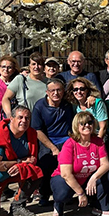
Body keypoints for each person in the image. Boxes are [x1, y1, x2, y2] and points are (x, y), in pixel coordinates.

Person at [50, 111, 109, 216]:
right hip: (66, 179)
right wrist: (81, 194)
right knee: (62, 192)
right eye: (83, 123)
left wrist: (94, 178)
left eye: (89, 122)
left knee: (108, 174)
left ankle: (99, 206)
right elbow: (66, 174)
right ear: (76, 126)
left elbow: (105, 165)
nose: (87, 125)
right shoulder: (70, 144)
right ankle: (58, 204)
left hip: (87, 178)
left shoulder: (98, 142)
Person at [32, 77, 76, 205]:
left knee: (69, 166)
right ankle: (44, 194)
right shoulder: (40, 106)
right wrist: (53, 148)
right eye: (52, 91)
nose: (56, 93)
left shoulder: (68, 105)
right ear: (47, 92)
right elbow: (37, 131)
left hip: (66, 140)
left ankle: (67, 194)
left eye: (58, 90)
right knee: (46, 164)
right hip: (47, 140)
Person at [2, 52, 48, 118]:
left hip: (43, 121)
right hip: (24, 121)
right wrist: (9, 115)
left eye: (39, 64)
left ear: (43, 66)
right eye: (33, 64)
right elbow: (6, 98)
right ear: (29, 66)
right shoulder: (21, 80)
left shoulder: (49, 83)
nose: (36, 67)